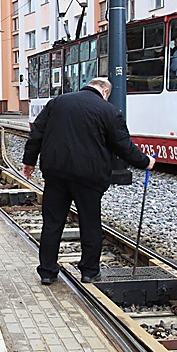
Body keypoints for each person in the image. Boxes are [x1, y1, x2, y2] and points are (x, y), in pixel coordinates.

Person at [22, 77, 155, 285]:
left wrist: (29, 162)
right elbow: (123, 145)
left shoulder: (58, 103)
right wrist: (145, 161)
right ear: (105, 92)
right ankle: (89, 271)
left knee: (53, 223)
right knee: (90, 223)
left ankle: (47, 271)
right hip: (88, 177)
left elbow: (36, 134)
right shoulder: (108, 110)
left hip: (56, 173)